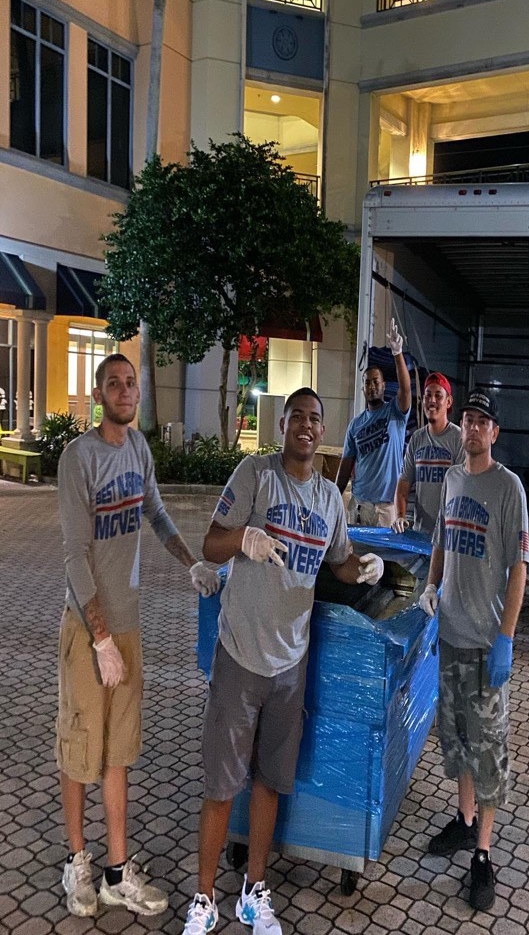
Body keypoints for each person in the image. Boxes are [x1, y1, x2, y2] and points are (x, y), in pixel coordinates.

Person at [182, 387, 384, 935]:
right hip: (241, 654)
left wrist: (364, 568)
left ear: (323, 430)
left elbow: (339, 563)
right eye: (298, 416)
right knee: (221, 785)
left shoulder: (329, 499)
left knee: (269, 782)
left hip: (291, 664)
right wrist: (243, 539)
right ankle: (203, 900)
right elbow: (211, 543)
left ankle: (254, 893)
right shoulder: (256, 475)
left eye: (315, 418)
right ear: (283, 424)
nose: (306, 426)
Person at [57, 353, 220, 918]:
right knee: (80, 746)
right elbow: (74, 556)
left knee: (118, 751)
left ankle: (116, 871)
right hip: (88, 630)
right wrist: (99, 639)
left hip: (128, 628)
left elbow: (157, 514)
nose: (126, 391)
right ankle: (77, 861)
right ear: (98, 393)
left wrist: (192, 563)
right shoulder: (78, 458)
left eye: (131, 383)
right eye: (115, 384)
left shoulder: (138, 450)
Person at [419, 389, 529, 912]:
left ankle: (482, 852)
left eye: (483, 421)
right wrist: (430, 585)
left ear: (495, 432)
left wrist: (506, 637)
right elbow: (441, 542)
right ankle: (464, 822)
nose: (474, 427)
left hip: (486, 644)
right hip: (450, 636)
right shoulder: (451, 479)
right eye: (468, 419)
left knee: (488, 751)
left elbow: (520, 568)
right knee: (458, 739)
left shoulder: (508, 488)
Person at [335, 317, 411, 526]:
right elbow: (345, 466)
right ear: (363, 389)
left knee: (385, 550)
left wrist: (397, 353)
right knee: (354, 548)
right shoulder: (355, 425)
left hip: (387, 507)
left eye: (376, 381)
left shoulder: (395, 413)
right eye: (367, 383)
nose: (371, 386)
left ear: (384, 385)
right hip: (360, 504)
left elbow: (406, 390)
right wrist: (333, 498)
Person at [392, 372, 463, 536]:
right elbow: (403, 485)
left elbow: (463, 490)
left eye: (438, 396)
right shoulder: (417, 438)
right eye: (428, 395)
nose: (432, 400)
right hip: (420, 533)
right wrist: (400, 516)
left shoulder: (458, 438)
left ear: (448, 401)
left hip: (448, 536)